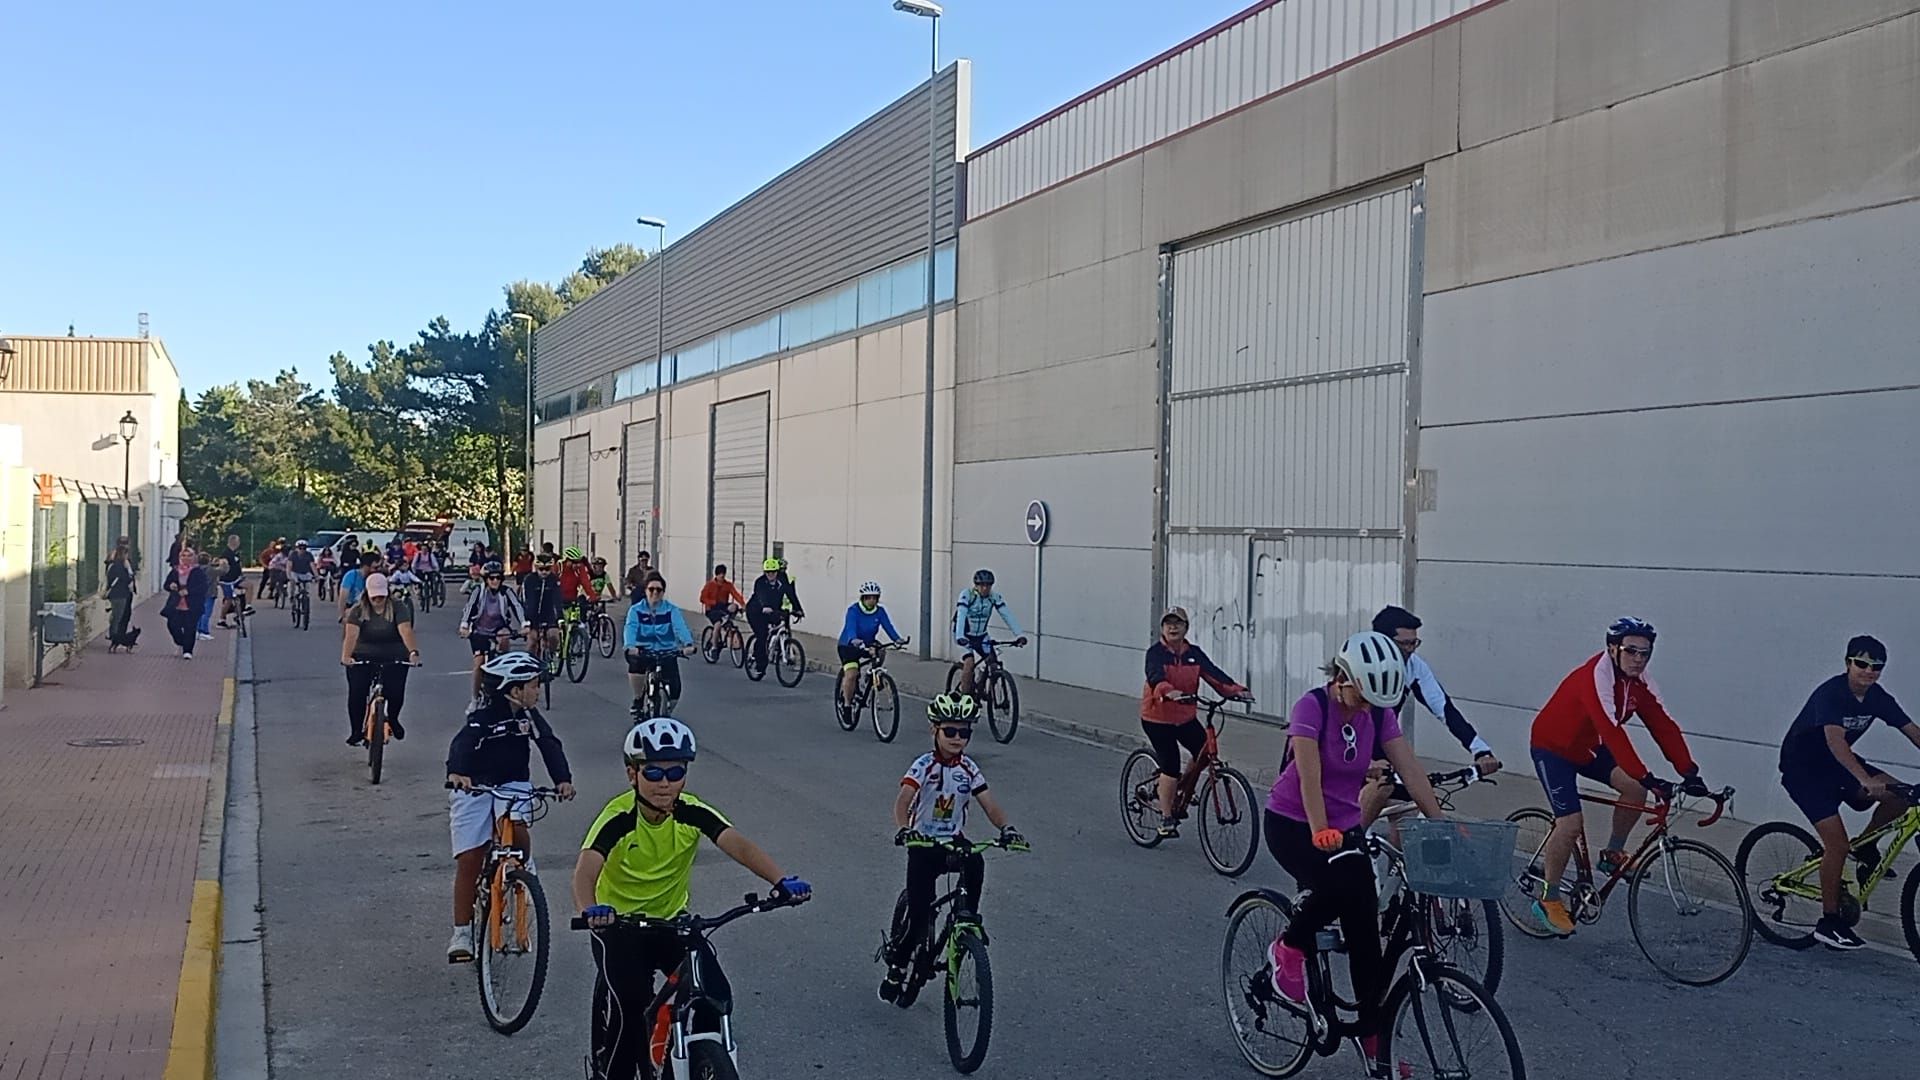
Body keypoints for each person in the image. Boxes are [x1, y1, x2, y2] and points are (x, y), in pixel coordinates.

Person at [572, 718, 810, 1080]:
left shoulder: (691, 810)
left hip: (672, 923)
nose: (664, 782)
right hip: (617, 927)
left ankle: (688, 1058)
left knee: (714, 993)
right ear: (632, 774)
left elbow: (736, 843)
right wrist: (590, 910)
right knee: (631, 1006)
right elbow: (586, 870)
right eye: (652, 772)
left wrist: (780, 880)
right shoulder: (618, 818)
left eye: (675, 771)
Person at [1263, 631, 1447, 1065]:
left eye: (1374, 703)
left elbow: (1411, 768)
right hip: (1292, 822)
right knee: (1339, 883)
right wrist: (1320, 829)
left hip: (1343, 826)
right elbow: (1309, 776)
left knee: (1366, 928)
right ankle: (1287, 948)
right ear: (1342, 676)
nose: (1366, 710)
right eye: (1362, 698)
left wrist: (1442, 823)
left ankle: (1372, 1038)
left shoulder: (1379, 713)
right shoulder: (1313, 707)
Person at [1528, 617, 1712, 936]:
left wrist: (1689, 771)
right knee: (1570, 824)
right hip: (1552, 748)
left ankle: (1612, 854)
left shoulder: (1640, 683)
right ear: (1613, 649)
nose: (1639, 659)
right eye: (1631, 651)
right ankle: (1549, 898)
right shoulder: (1595, 678)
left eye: (1646, 653)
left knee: (1635, 790)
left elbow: (1663, 726)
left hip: (1587, 749)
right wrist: (1650, 776)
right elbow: (1613, 733)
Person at [1777, 635, 1920, 950]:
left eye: (1876, 667)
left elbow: (1913, 731)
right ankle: (1829, 923)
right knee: (1836, 845)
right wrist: (1862, 778)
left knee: (1899, 797)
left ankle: (1866, 848)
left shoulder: (1877, 697)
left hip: (1838, 767)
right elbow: (1836, 742)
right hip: (1805, 772)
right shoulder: (1832, 694)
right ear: (1848, 663)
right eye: (1861, 664)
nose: (1868, 671)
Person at [879, 694, 1025, 1002]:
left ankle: (966, 919)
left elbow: (988, 804)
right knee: (919, 920)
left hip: (952, 841)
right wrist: (904, 830)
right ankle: (897, 965)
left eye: (965, 732)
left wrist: (1006, 829)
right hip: (923, 844)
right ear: (934, 730)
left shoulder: (969, 769)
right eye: (950, 731)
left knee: (976, 862)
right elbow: (903, 801)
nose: (958, 738)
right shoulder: (923, 765)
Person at [445, 651, 576, 962]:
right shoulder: (483, 715)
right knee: (470, 857)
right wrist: (458, 772)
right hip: (475, 784)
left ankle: (523, 865)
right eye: (533, 685)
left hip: (513, 782)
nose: (538, 690)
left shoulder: (530, 716)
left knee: (517, 823)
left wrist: (563, 779)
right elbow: (462, 744)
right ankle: (461, 933)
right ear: (514, 690)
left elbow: (549, 744)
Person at [1359, 606, 1502, 825]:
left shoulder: (1415, 667)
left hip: (1385, 752)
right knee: (1377, 793)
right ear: (1383, 642)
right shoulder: (1361, 668)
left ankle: (1401, 860)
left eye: (1414, 643)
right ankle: (1351, 849)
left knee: (1410, 817)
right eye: (1404, 644)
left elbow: (1445, 709)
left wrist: (1480, 750)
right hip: (1352, 751)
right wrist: (1365, 760)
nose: (1410, 650)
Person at [1140, 606, 1249, 837]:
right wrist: (1168, 691)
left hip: (1184, 717)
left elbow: (1215, 676)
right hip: (1157, 718)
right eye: (1168, 623)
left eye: (1178, 623)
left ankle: (1183, 788)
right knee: (1171, 765)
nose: (1173, 627)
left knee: (1204, 752)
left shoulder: (1194, 654)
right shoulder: (1156, 653)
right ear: (1162, 628)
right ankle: (1167, 818)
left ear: (1186, 628)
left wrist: (1236, 691)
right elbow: (1154, 677)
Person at [340, 573, 421, 745]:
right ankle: (356, 730)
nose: (378, 599)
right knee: (357, 692)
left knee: (396, 691)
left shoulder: (398, 607)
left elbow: (405, 630)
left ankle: (393, 718)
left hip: (394, 654)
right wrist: (346, 656)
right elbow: (351, 635)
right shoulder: (358, 610)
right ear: (367, 594)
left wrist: (413, 652)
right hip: (362, 655)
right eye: (374, 596)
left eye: (381, 596)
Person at [624, 574, 695, 718]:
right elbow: (630, 628)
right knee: (636, 666)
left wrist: (688, 644)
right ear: (645, 591)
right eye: (651, 589)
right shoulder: (636, 610)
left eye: (659, 590)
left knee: (675, 690)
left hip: (667, 651)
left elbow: (680, 627)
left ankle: (666, 712)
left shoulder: (671, 610)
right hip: (643, 650)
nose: (655, 593)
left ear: (663, 592)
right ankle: (638, 699)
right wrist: (630, 646)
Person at [838, 581, 909, 720]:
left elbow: (888, 626)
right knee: (851, 674)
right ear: (863, 598)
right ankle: (847, 705)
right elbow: (850, 627)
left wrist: (897, 639)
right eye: (868, 597)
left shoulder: (880, 611)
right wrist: (854, 639)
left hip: (868, 642)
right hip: (848, 645)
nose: (872, 600)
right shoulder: (853, 610)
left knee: (881, 650)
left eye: (875, 597)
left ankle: (872, 675)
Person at [952, 569, 1027, 695]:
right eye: (982, 585)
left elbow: (1006, 615)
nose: (985, 588)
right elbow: (961, 615)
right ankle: (964, 699)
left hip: (981, 635)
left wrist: (1019, 635)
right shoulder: (967, 595)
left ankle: (986, 691)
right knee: (969, 663)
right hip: (964, 635)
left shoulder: (994, 597)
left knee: (993, 664)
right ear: (976, 585)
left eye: (988, 585)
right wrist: (960, 636)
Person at [459, 562, 528, 698]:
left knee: (504, 641)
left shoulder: (507, 591)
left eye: (498, 578)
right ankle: (474, 698)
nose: (495, 581)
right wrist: (464, 626)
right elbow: (469, 607)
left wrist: (524, 624)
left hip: (499, 628)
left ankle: (503, 678)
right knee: (479, 664)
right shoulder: (478, 591)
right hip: (480, 630)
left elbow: (517, 606)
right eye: (492, 578)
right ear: (486, 579)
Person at [745, 558, 803, 675]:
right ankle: (760, 665)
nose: (770, 575)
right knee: (762, 634)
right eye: (768, 572)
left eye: (773, 572)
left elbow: (791, 595)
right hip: (756, 611)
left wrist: (798, 609)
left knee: (781, 622)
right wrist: (765, 606)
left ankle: (778, 648)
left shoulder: (783, 581)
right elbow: (761, 595)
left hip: (773, 610)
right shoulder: (760, 582)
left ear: (777, 572)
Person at [162, 552, 210, 660]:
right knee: (173, 625)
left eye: (189, 555)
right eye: (183, 555)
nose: (186, 558)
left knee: (190, 627)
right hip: (176, 603)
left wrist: (188, 591)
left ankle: (188, 651)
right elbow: (166, 584)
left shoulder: (198, 572)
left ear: (194, 558)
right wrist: (171, 585)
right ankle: (181, 642)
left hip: (192, 604)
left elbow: (203, 587)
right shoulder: (175, 571)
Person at [523, 553, 565, 661]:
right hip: (533, 615)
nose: (544, 572)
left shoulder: (554, 580)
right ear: (536, 568)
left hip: (549, 614)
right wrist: (527, 620)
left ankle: (551, 655)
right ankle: (530, 664)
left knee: (554, 637)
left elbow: (557, 599)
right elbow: (526, 601)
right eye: (541, 569)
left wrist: (560, 617)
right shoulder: (529, 580)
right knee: (532, 642)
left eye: (547, 569)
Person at [215, 533, 253, 630]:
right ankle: (221, 620)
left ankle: (247, 606)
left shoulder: (235, 553)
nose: (239, 543)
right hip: (227, 581)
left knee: (249, 585)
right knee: (228, 599)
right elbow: (223, 564)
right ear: (234, 542)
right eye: (238, 541)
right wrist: (223, 569)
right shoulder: (226, 553)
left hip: (236, 579)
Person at [105, 542, 137, 650]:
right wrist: (128, 571)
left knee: (120, 615)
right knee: (118, 616)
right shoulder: (118, 566)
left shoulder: (117, 565)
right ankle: (114, 636)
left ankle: (117, 636)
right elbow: (125, 579)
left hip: (121, 594)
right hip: (119, 594)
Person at [338, 550, 382, 620]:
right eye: (375, 567)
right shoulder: (351, 576)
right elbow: (343, 597)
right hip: (353, 609)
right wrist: (342, 615)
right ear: (366, 566)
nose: (378, 570)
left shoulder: (376, 577)